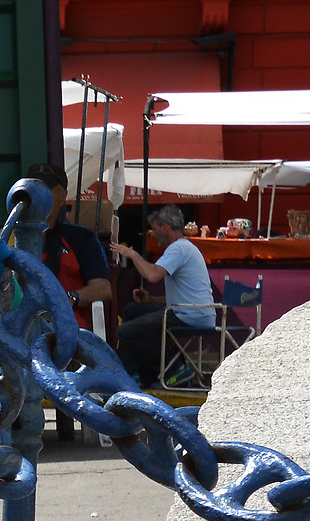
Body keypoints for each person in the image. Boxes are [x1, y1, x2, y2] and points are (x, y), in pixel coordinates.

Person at [26, 165, 114, 440]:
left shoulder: (80, 239)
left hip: (68, 332)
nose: (36, 195)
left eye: (44, 189)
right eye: (32, 188)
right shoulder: (12, 236)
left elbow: (103, 288)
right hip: (23, 331)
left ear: (61, 194)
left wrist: (69, 299)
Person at [112, 205, 217, 386]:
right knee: (132, 310)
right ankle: (135, 373)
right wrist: (151, 300)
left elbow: (153, 275)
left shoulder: (178, 248)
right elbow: (183, 296)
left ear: (165, 227)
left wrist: (132, 254)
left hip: (190, 316)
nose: (152, 234)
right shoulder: (185, 247)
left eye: (154, 229)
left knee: (124, 332)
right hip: (192, 311)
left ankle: (174, 368)